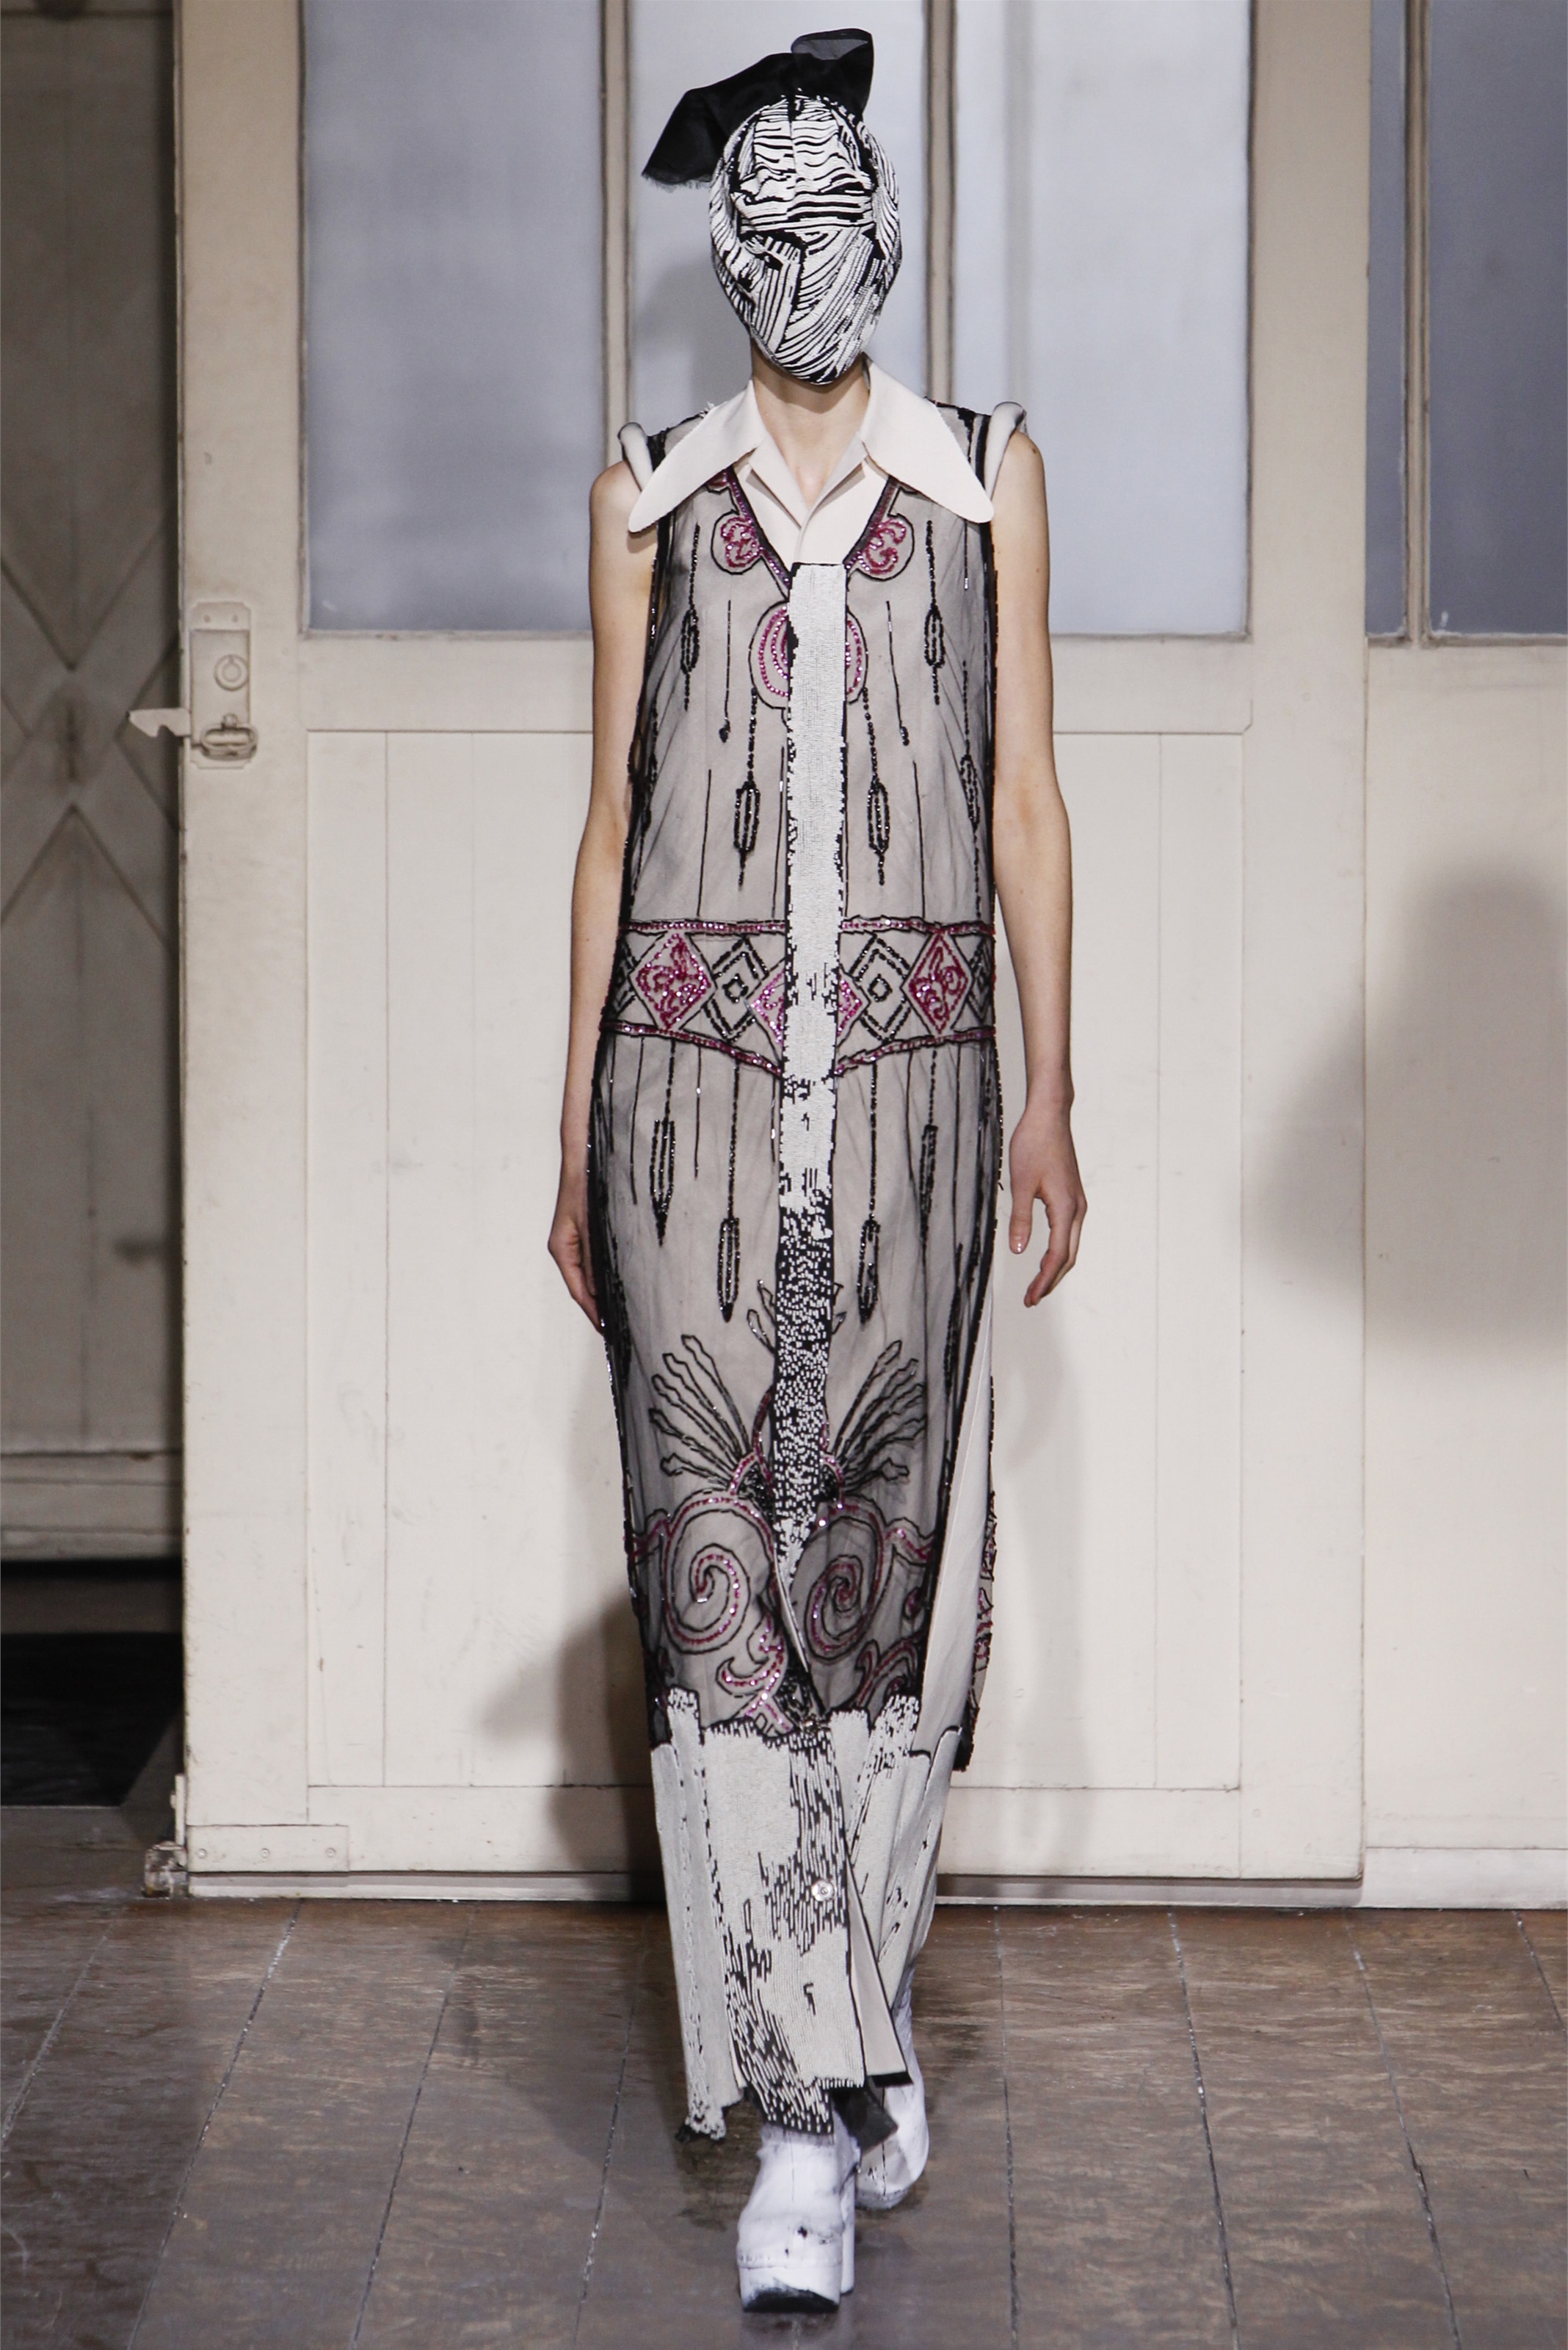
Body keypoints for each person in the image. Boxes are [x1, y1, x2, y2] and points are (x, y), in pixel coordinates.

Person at [549, 26, 1085, 2315]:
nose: (804, 259)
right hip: (677, 1106)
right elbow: (608, 824)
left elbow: (1027, 794)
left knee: (874, 1582)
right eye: (763, 227)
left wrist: (1055, 1087)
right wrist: (566, 1123)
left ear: (886, 232)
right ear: (726, 254)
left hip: (916, 1106)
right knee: (719, 1603)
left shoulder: (986, 478)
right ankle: (805, 2113)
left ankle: (844, 2024)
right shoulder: (645, 501)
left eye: (835, 216)